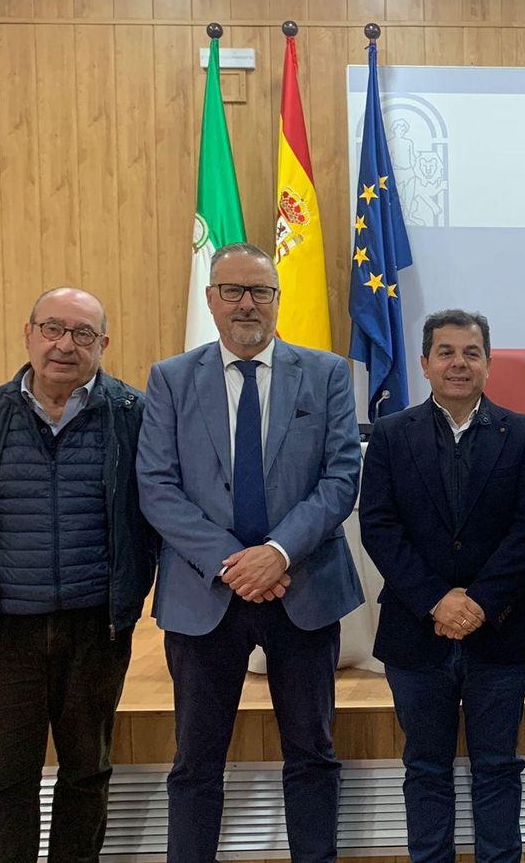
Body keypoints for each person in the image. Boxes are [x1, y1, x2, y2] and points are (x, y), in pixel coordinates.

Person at [137, 243, 364, 863]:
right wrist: (237, 563)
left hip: (303, 588)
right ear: (210, 300)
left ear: (277, 300)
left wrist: (279, 552)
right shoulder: (171, 378)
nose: (245, 303)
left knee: (312, 755)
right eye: (232, 290)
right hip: (203, 595)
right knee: (196, 761)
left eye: (259, 291)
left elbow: (342, 478)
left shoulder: (326, 374)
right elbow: (156, 486)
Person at [0, 286, 155, 863]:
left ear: (104, 344)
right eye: (52, 328)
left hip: (95, 627)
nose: (65, 345)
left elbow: (147, 512)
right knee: (8, 779)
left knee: (86, 773)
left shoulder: (132, 414)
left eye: (82, 334)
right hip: (3, 630)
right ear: (29, 334)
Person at [359, 309, 525, 862]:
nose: (458, 363)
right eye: (445, 352)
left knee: (497, 767)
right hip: (415, 633)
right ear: (424, 364)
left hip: (501, 630)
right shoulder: (392, 435)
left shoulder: (521, 435)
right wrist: (436, 600)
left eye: (471, 353)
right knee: (424, 768)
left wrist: (480, 602)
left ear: (489, 365)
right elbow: (378, 525)